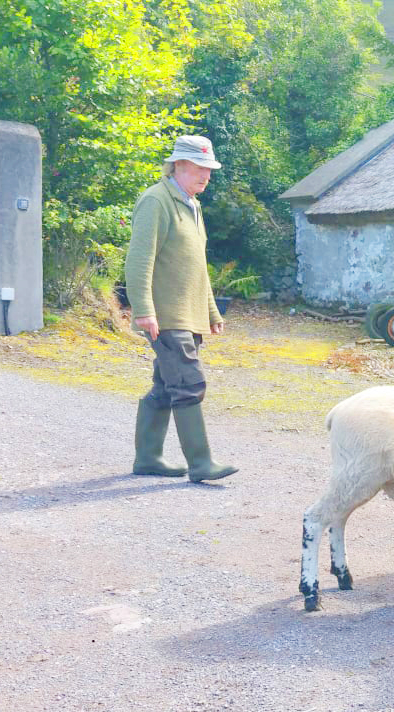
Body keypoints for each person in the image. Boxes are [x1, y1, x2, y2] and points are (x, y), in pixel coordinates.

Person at [125, 135, 237, 482]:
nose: (206, 175)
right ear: (179, 165)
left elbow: (196, 266)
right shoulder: (156, 201)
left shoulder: (192, 205)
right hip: (165, 316)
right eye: (200, 168)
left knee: (166, 385)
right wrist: (143, 310)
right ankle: (201, 464)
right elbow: (138, 261)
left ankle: (148, 458)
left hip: (188, 316)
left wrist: (212, 312)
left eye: (209, 169)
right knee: (189, 381)